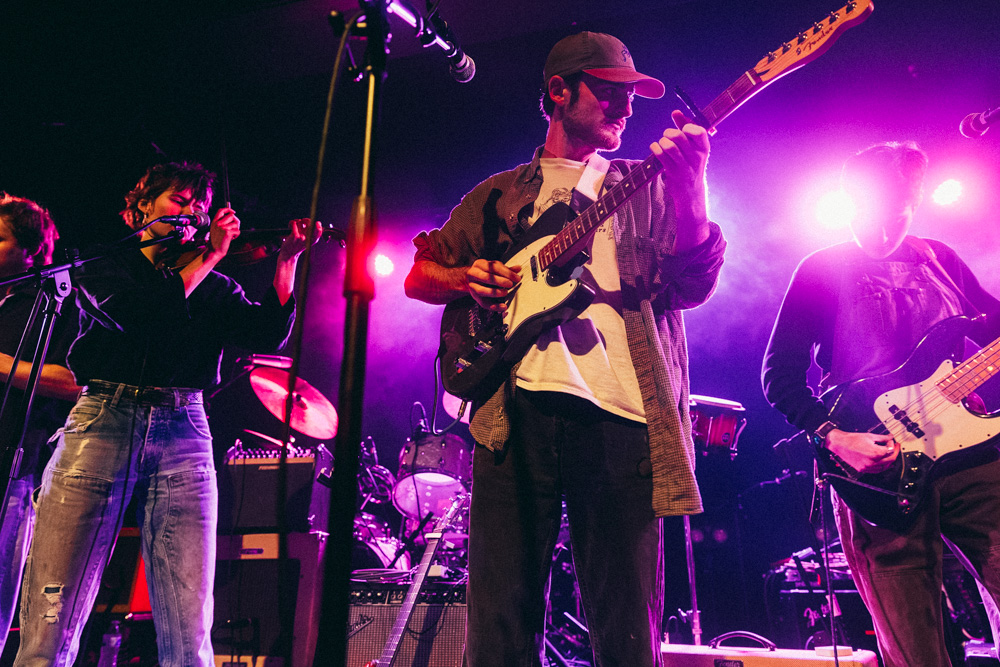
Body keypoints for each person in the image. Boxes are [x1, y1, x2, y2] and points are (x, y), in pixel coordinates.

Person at [404, 31, 726, 666]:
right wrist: (469, 278)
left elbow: (693, 286)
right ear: (558, 91)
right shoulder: (497, 195)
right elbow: (419, 275)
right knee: (500, 620)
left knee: (627, 624)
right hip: (511, 416)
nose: (626, 110)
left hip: (623, 418)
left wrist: (693, 190)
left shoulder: (646, 183)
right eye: (609, 93)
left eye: (632, 96)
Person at [13, 161, 319, 667]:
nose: (191, 213)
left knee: (190, 622)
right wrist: (212, 256)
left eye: (198, 206)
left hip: (185, 429)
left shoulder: (214, 286)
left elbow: (266, 334)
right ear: (140, 208)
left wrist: (286, 262)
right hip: (103, 420)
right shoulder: (101, 267)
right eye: (179, 201)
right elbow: (144, 314)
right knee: (53, 615)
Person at [762, 141, 1000, 666]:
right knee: (914, 647)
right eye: (873, 211)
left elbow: (990, 329)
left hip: (967, 458)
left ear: (914, 203)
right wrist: (836, 437)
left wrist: (964, 383)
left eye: (899, 213)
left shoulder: (941, 260)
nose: (885, 227)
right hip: (877, 471)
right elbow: (778, 377)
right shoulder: (820, 268)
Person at [0, 194, 80, 653]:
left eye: (0, 239)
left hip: (11, 472)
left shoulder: (52, 305)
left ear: (30, 251)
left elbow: (73, 382)